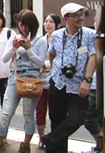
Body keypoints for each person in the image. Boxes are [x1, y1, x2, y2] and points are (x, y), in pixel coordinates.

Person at [41, 3, 97, 152]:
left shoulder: (89, 34)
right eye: (76, 16)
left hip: (78, 85)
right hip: (58, 83)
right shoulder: (57, 35)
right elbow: (52, 53)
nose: (81, 18)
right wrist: (54, 71)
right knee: (56, 120)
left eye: (82, 15)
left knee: (76, 118)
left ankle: (50, 139)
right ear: (66, 18)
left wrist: (87, 80)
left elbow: (93, 57)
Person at [0, 10, 46, 152]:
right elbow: (4, 59)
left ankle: (25, 144)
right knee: (6, 112)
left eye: (27, 25)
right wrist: (14, 47)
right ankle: (0, 141)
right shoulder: (14, 38)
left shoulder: (40, 41)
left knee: (29, 114)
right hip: (15, 77)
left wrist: (29, 49)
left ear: (33, 25)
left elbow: (40, 63)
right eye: (22, 25)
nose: (24, 29)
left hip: (32, 79)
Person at [36, 13, 61, 149]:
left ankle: (53, 138)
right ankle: (41, 138)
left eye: (51, 22)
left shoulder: (60, 40)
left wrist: (45, 64)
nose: (48, 24)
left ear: (57, 25)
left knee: (54, 112)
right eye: (46, 21)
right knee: (40, 111)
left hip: (55, 81)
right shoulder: (40, 40)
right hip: (40, 81)